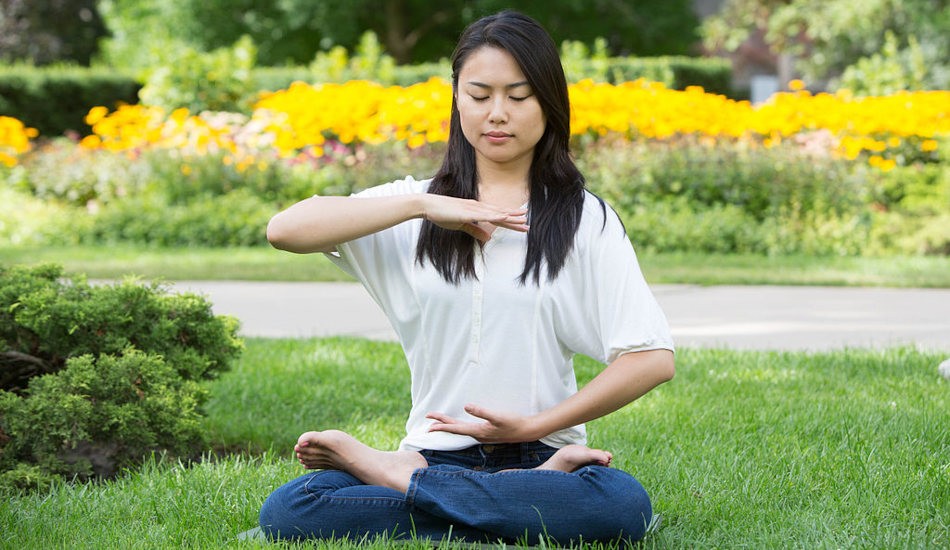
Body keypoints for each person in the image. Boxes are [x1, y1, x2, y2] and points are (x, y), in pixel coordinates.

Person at [258, 9, 674, 545]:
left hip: (542, 452)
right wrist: (424, 206)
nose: (497, 113)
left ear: (549, 100)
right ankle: (503, 501)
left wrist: (533, 426)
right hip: (435, 450)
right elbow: (284, 230)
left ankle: (398, 479)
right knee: (293, 507)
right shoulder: (414, 207)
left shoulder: (583, 218)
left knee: (621, 505)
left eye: (518, 96)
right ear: (457, 99)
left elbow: (651, 358)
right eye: (480, 96)